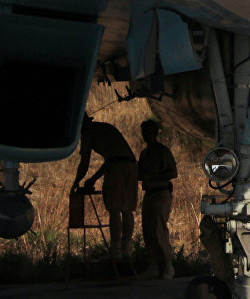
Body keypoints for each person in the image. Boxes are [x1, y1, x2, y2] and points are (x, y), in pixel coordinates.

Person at [72, 114, 138, 261]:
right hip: (132, 166)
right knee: (127, 209)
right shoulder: (105, 127)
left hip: (117, 169)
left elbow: (85, 162)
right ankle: (126, 249)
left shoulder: (88, 133)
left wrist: (76, 182)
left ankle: (116, 251)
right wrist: (93, 178)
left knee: (114, 209)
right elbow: (113, 158)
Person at [137, 119, 178, 280]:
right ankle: (153, 265)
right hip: (149, 193)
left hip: (161, 192)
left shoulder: (163, 151)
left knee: (159, 228)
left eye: (148, 131)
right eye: (144, 132)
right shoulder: (145, 153)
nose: (146, 135)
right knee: (148, 229)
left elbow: (172, 172)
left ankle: (168, 265)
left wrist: (154, 176)